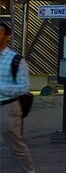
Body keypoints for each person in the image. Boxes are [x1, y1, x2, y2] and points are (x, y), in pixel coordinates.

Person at [0, 22, 36, 172]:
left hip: (9, 108)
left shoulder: (16, 60)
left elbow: (24, 87)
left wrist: (1, 88)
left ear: (7, 36)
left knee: (16, 145)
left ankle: (29, 171)